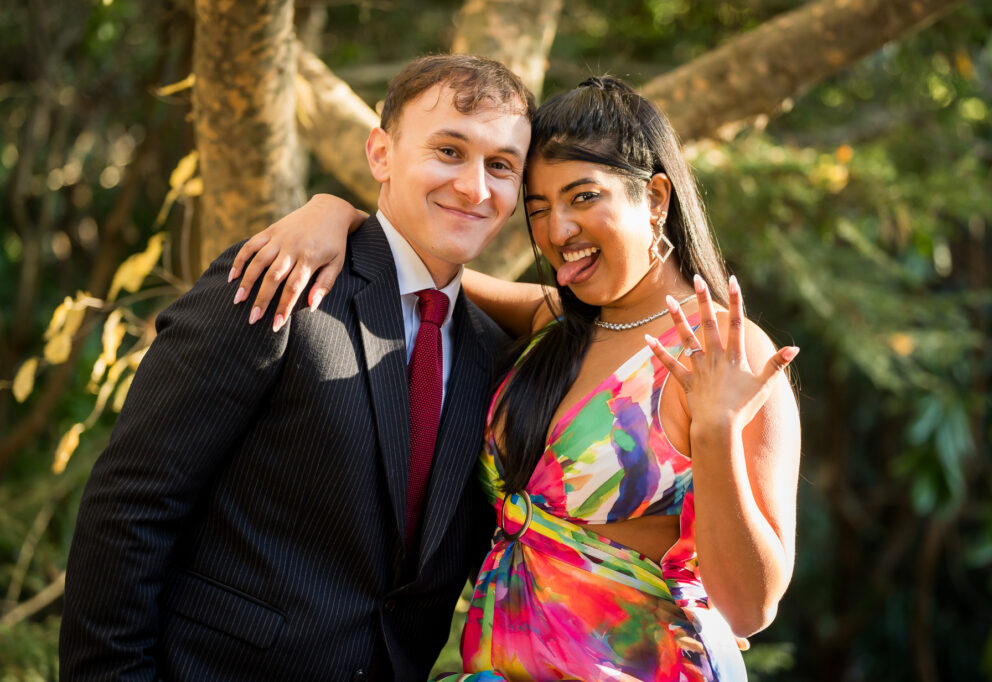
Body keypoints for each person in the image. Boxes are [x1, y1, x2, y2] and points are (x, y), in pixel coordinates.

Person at [234, 77, 801, 680]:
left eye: (583, 197)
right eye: (539, 209)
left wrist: (715, 431)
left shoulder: (724, 354)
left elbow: (750, 608)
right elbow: (418, 264)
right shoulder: (557, 326)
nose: (557, 232)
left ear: (656, 198)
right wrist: (335, 215)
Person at [59, 55, 534, 681]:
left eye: (501, 166)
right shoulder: (280, 278)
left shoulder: (492, 353)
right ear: (381, 154)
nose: (476, 187)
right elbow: (131, 506)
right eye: (449, 150)